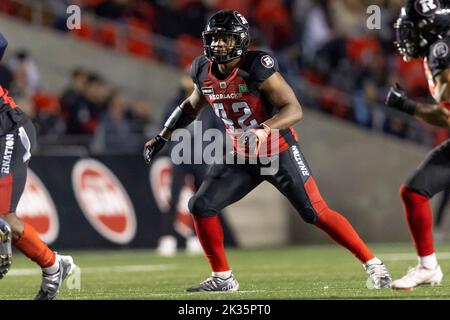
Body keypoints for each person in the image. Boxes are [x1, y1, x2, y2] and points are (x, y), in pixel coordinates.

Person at [144, 10, 392, 292]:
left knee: (315, 213)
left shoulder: (256, 66)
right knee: (201, 206)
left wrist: (261, 130)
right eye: (215, 40)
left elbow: (294, 109)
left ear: (240, 41)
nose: (219, 46)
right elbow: (191, 105)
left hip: (277, 151)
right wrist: (163, 135)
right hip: (242, 153)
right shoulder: (202, 68)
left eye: (225, 40)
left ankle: (373, 264)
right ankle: (222, 277)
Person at [0, 31, 76, 299]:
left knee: (3, 217)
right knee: (6, 220)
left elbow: (2, 42)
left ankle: (53, 265)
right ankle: (55, 265)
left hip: (9, 133)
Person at [385, 0, 450, 290]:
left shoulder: (441, 49)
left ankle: (428, 267)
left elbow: (446, 115)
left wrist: (406, 105)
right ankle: (428, 267)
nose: (405, 37)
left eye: (410, 29)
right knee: (414, 192)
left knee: (415, 192)